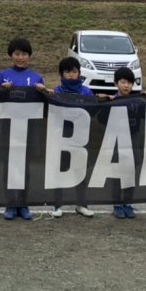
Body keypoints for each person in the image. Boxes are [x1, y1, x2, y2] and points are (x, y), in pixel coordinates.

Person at [0, 38, 45, 220]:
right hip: (8, 127)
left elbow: (43, 104)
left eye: (24, 54)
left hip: (29, 129)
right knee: (9, 166)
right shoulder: (2, 75)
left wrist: (43, 91)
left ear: (29, 56)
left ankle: (23, 203)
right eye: (17, 54)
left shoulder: (37, 77)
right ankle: (10, 203)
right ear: (11, 55)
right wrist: (1, 89)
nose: (20, 57)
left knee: (25, 167)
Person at [48, 56, 96, 218]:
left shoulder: (86, 91)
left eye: (74, 72)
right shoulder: (56, 91)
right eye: (67, 72)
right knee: (60, 170)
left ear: (79, 73)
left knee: (80, 171)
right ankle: (57, 204)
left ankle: (81, 204)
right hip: (61, 137)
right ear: (61, 74)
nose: (71, 75)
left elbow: (94, 110)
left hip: (80, 139)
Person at [110, 66, 142, 219]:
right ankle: (117, 203)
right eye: (123, 82)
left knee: (130, 172)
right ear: (116, 83)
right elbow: (102, 120)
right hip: (116, 140)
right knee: (117, 172)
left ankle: (128, 203)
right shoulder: (111, 101)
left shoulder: (138, 100)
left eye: (129, 82)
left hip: (133, 139)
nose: (126, 85)